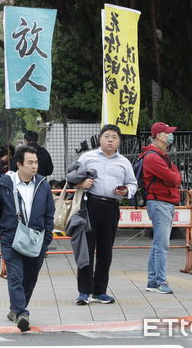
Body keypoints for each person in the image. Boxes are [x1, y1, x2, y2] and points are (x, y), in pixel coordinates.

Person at [0, 145, 55, 332]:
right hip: (10, 238)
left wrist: (47, 237)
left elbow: (49, 213)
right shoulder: (2, 184)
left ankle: (14, 310)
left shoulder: (43, 184)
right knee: (15, 276)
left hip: (36, 239)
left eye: (36, 162)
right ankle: (22, 313)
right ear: (19, 165)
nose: (34, 166)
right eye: (30, 163)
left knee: (30, 278)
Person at [69, 124, 137, 305]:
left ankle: (100, 291)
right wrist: (81, 184)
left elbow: (133, 184)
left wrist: (126, 191)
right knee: (87, 250)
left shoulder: (124, 162)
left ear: (119, 141)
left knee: (106, 251)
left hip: (111, 207)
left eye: (114, 137)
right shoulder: (87, 157)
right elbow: (71, 177)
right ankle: (84, 292)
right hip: (89, 205)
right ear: (100, 138)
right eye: (106, 136)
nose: (110, 140)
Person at [141, 122, 182, 294]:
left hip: (163, 201)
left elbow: (175, 175)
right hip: (160, 202)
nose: (170, 136)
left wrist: (174, 177)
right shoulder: (153, 157)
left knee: (158, 243)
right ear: (159, 135)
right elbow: (173, 178)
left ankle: (152, 281)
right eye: (168, 133)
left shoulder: (160, 155)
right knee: (162, 244)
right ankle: (160, 282)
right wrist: (173, 177)